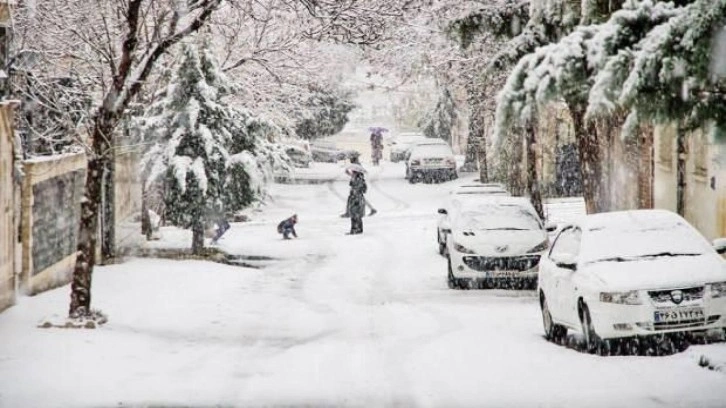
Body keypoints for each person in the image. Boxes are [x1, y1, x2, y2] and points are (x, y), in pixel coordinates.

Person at [340, 152, 377, 217]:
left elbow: (358, 176)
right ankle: (370, 209)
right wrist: (348, 173)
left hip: (357, 185)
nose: (350, 160)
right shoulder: (355, 166)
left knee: (353, 199)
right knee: (358, 199)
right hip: (357, 185)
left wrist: (354, 179)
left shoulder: (357, 167)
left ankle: (350, 213)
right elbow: (354, 175)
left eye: (351, 159)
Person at [347, 169, 367, 234]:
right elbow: (364, 190)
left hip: (356, 198)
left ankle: (355, 229)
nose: (352, 173)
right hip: (356, 198)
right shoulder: (359, 179)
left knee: (355, 214)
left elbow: (363, 190)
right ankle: (358, 229)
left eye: (353, 172)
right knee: (356, 214)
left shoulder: (358, 179)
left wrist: (356, 190)